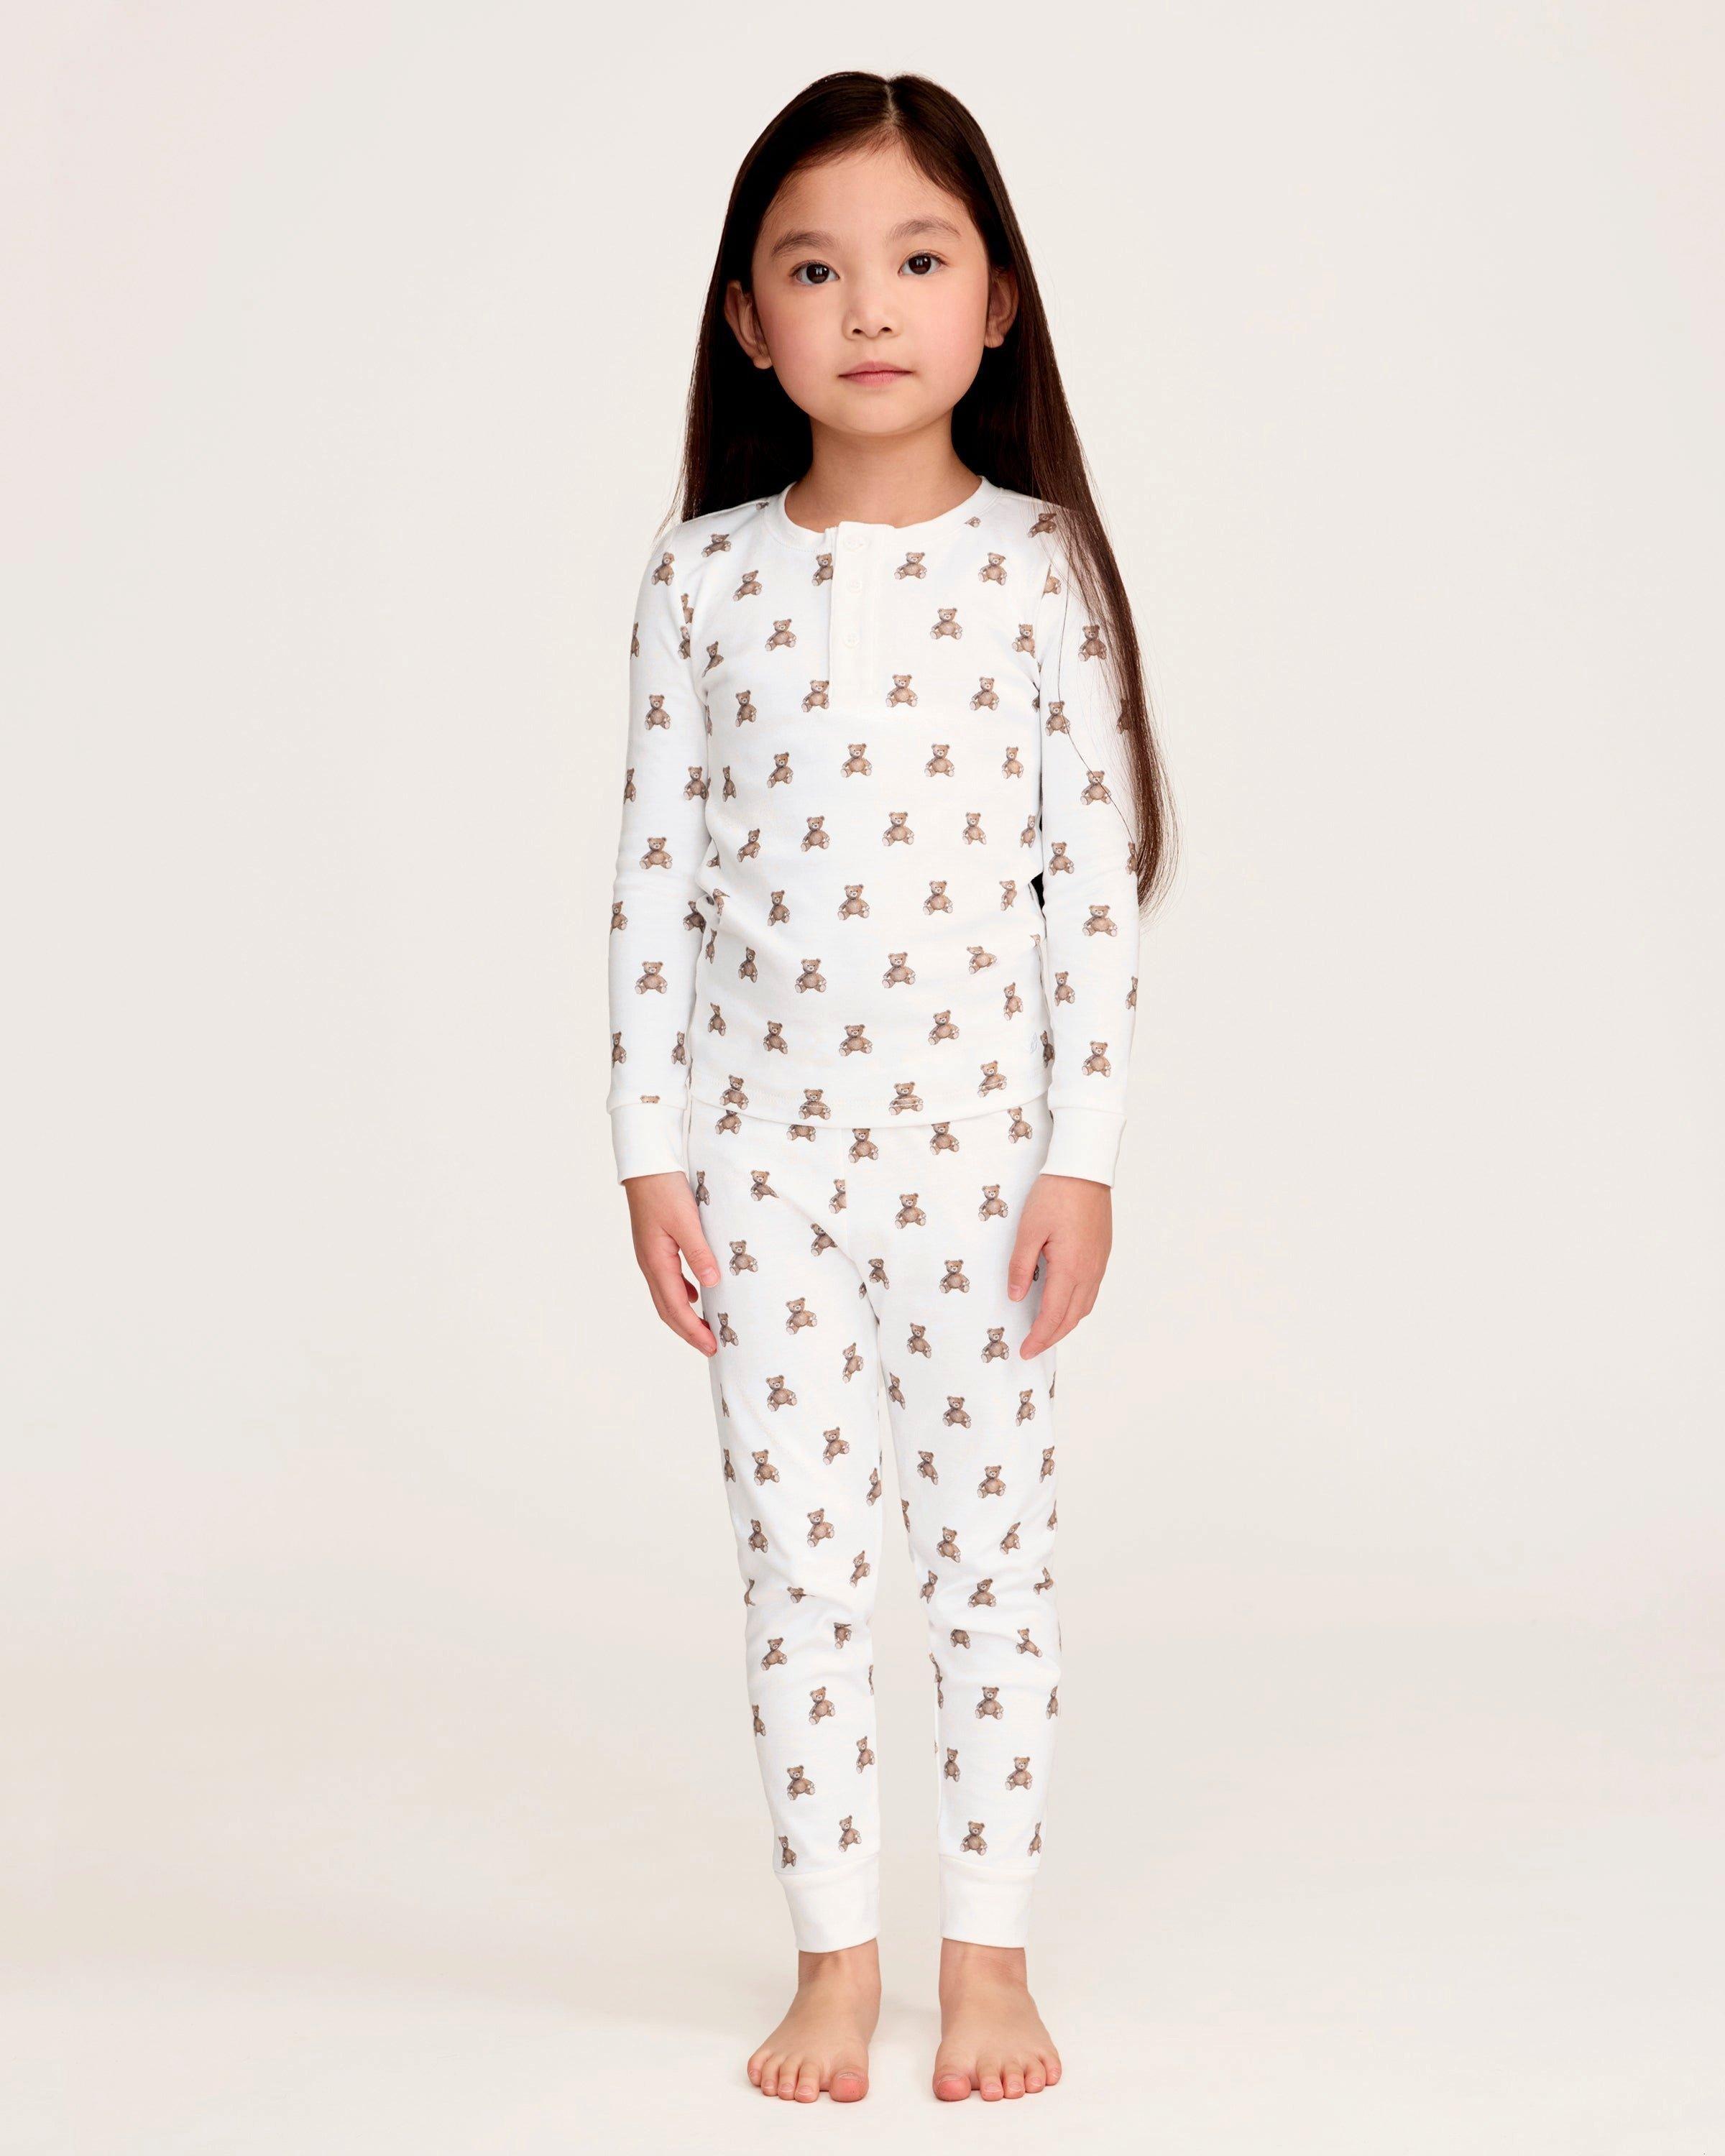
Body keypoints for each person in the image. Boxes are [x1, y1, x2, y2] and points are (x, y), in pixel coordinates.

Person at [604, 70, 1175, 2105]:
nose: (869, 306)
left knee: (990, 1565)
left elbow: (1092, 887)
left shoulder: (1039, 568)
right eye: (815, 268)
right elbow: (651, 882)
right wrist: (650, 1157)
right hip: (758, 1168)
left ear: (996, 302)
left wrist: (1080, 1160)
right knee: (804, 1569)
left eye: (920, 259)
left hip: (977, 1170)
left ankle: (987, 1956)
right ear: (746, 318)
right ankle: (834, 1961)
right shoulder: (701, 579)